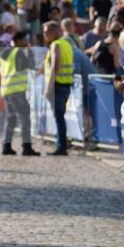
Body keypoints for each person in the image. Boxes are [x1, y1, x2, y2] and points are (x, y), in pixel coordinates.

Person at [0, 30, 40, 157]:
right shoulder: (19, 53)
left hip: (6, 89)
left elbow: (0, 70)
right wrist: (31, 53)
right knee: (25, 117)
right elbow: (29, 66)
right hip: (17, 91)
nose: (26, 42)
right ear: (18, 41)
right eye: (24, 40)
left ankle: (6, 145)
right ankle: (26, 146)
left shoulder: (3, 53)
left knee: (10, 118)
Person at [43, 20, 74, 156]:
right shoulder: (66, 44)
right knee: (60, 116)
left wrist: (49, 87)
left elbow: (55, 65)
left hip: (58, 85)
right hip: (66, 83)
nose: (45, 35)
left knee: (58, 117)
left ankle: (61, 146)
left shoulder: (55, 45)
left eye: (46, 32)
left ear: (54, 31)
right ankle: (61, 144)